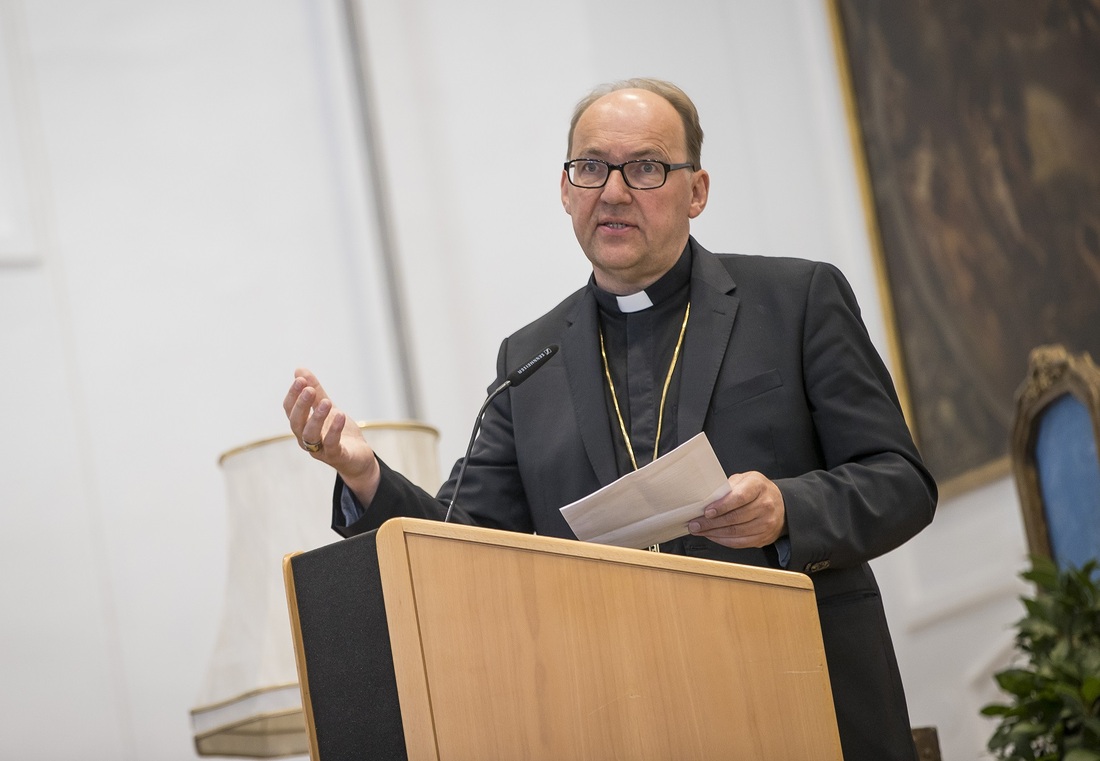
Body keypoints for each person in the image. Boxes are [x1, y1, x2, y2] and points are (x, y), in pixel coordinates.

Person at [284, 78, 938, 760]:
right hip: (624, 720)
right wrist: (364, 475)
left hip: (800, 696)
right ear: (566, 190)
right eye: (591, 167)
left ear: (698, 190)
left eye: (647, 167)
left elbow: (901, 482)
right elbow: (454, 546)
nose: (615, 191)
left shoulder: (797, 299)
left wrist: (786, 510)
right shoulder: (528, 361)